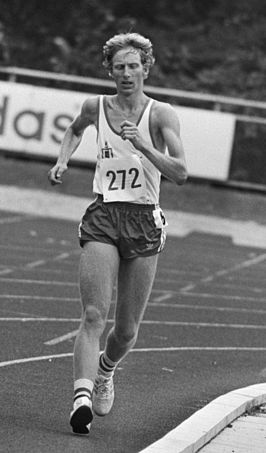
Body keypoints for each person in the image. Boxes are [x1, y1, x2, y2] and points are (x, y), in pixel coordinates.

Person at [48, 32, 187, 435]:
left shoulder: (161, 116)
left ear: (146, 68)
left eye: (133, 66)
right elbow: (74, 130)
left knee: (125, 331)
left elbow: (179, 172)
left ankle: (106, 370)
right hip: (104, 215)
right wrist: (62, 160)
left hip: (144, 220)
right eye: (119, 67)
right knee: (93, 314)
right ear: (108, 70)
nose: (126, 73)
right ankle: (82, 397)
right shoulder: (95, 107)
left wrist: (144, 145)